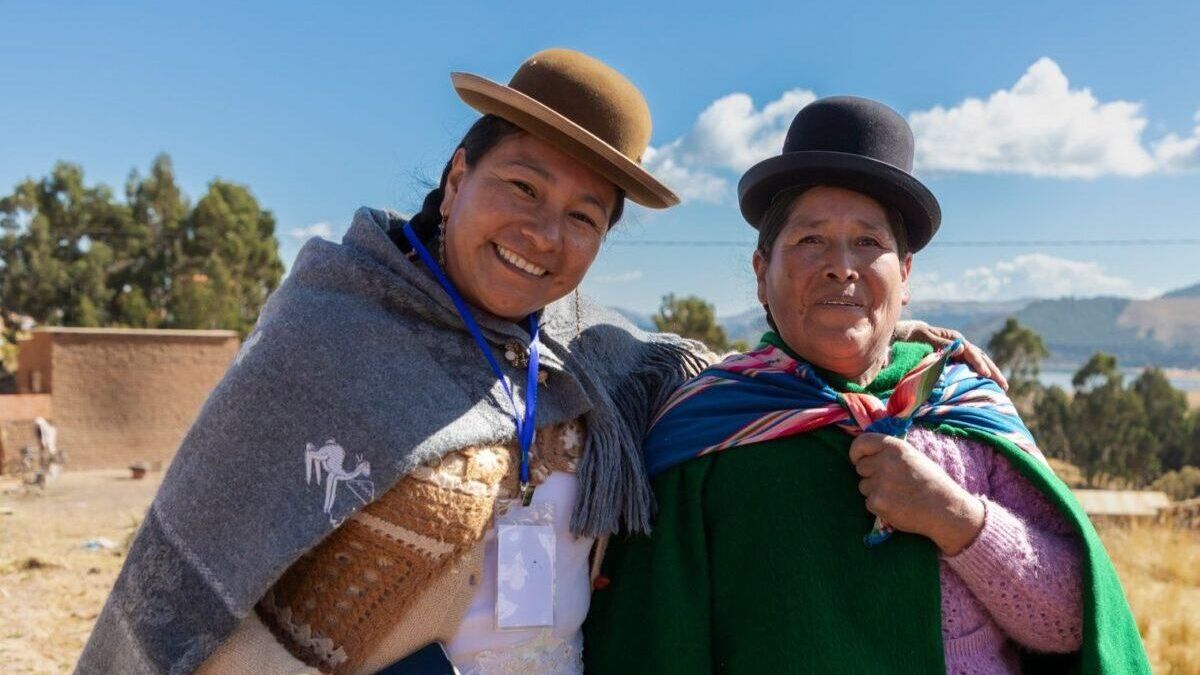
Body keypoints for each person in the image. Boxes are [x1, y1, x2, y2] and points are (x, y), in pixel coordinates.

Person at [78, 52, 999, 674]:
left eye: (584, 215)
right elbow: (181, 588)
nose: (542, 233)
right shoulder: (329, 340)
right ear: (455, 177)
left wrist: (904, 353)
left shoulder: (582, 355)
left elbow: (746, 379)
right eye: (521, 185)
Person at [584, 97, 1150, 674]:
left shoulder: (962, 405)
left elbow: (1073, 625)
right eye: (810, 241)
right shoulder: (705, 433)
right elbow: (654, 644)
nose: (841, 266)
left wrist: (953, 517)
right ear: (761, 272)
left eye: (869, 243)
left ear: (904, 276)